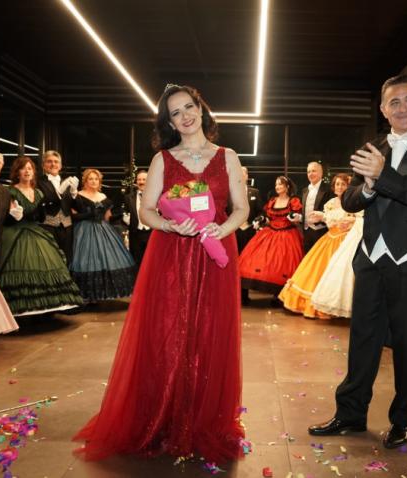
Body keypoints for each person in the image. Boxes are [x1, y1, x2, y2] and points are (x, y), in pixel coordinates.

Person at [74, 84, 248, 464]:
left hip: (215, 254)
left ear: (201, 108)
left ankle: (203, 418)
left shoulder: (229, 157)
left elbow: (241, 209)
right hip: (171, 256)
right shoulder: (162, 160)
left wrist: (222, 228)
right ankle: (164, 416)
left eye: (189, 107)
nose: (185, 116)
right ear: (168, 122)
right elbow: (147, 211)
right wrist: (170, 225)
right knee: (168, 334)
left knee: (209, 334)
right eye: (175, 113)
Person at [308, 75, 407, 449]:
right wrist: (368, 187)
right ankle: (350, 413)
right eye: (394, 102)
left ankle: (403, 419)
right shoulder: (373, 146)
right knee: (363, 339)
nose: (402, 107)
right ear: (383, 109)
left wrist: (383, 175)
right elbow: (349, 200)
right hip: (372, 257)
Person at [0, 156, 83, 316]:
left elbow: (41, 215)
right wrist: (14, 215)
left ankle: (49, 309)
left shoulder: (37, 192)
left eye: (30, 168)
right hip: (17, 233)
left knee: (58, 263)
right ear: (17, 172)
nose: (27, 171)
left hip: (48, 228)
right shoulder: (11, 191)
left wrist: (72, 193)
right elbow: (4, 218)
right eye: (23, 168)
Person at [279, 173, 359, 318]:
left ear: (348, 186)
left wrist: (351, 222)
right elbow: (329, 221)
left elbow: (359, 220)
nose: (340, 187)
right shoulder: (330, 203)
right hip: (330, 239)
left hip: (346, 241)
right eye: (337, 184)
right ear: (333, 187)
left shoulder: (354, 203)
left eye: (343, 184)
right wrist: (322, 217)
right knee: (314, 270)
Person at [70, 168, 136, 302]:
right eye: (90, 179)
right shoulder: (78, 195)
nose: (93, 181)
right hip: (84, 231)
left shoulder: (103, 197)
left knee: (107, 259)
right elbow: (73, 215)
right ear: (85, 181)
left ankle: (101, 293)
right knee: (86, 260)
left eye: (96, 179)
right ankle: (87, 296)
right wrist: (87, 215)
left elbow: (107, 217)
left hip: (103, 229)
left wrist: (120, 216)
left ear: (99, 181)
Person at [238, 176, 303, 298]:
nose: (277, 187)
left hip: (287, 235)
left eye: (280, 184)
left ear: (287, 187)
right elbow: (268, 217)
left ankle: (279, 296)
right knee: (257, 261)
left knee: (282, 264)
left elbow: (297, 217)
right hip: (270, 233)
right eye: (276, 184)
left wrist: (295, 217)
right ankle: (245, 294)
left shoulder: (293, 201)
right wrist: (261, 219)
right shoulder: (273, 200)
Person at [38, 150, 78, 264]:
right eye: (49, 161)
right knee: (49, 259)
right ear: (43, 165)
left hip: (67, 227)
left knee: (67, 259)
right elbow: (41, 201)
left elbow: (78, 207)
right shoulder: (38, 182)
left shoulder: (68, 182)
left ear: (60, 166)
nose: (53, 164)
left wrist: (74, 193)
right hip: (47, 226)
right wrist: (59, 192)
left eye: (56, 162)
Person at [236, 166, 263, 304]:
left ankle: (244, 295)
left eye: (243, 173)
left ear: (247, 176)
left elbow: (260, 211)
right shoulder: (230, 192)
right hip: (234, 232)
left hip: (249, 231)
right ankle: (233, 295)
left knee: (246, 263)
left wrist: (258, 220)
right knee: (234, 263)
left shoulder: (255, 192)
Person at [301, 162, 334, 254]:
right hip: (306, 232)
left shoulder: (329, 189)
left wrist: (322, 217)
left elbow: (334, 211)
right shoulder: (305, 190)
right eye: (308, 172)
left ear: (321, 173)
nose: (310, 174)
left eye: (313, 171)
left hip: (322, 232)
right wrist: (300, 217)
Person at [122, 169, 151, 269]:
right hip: (135, 234)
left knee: (151, 262)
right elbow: (124, 213)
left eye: (144, 179)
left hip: (152, 234)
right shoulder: (128, 197)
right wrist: (129, 221)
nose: (141, 182)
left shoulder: (156, 196)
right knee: (136, 263)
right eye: (139, 179)